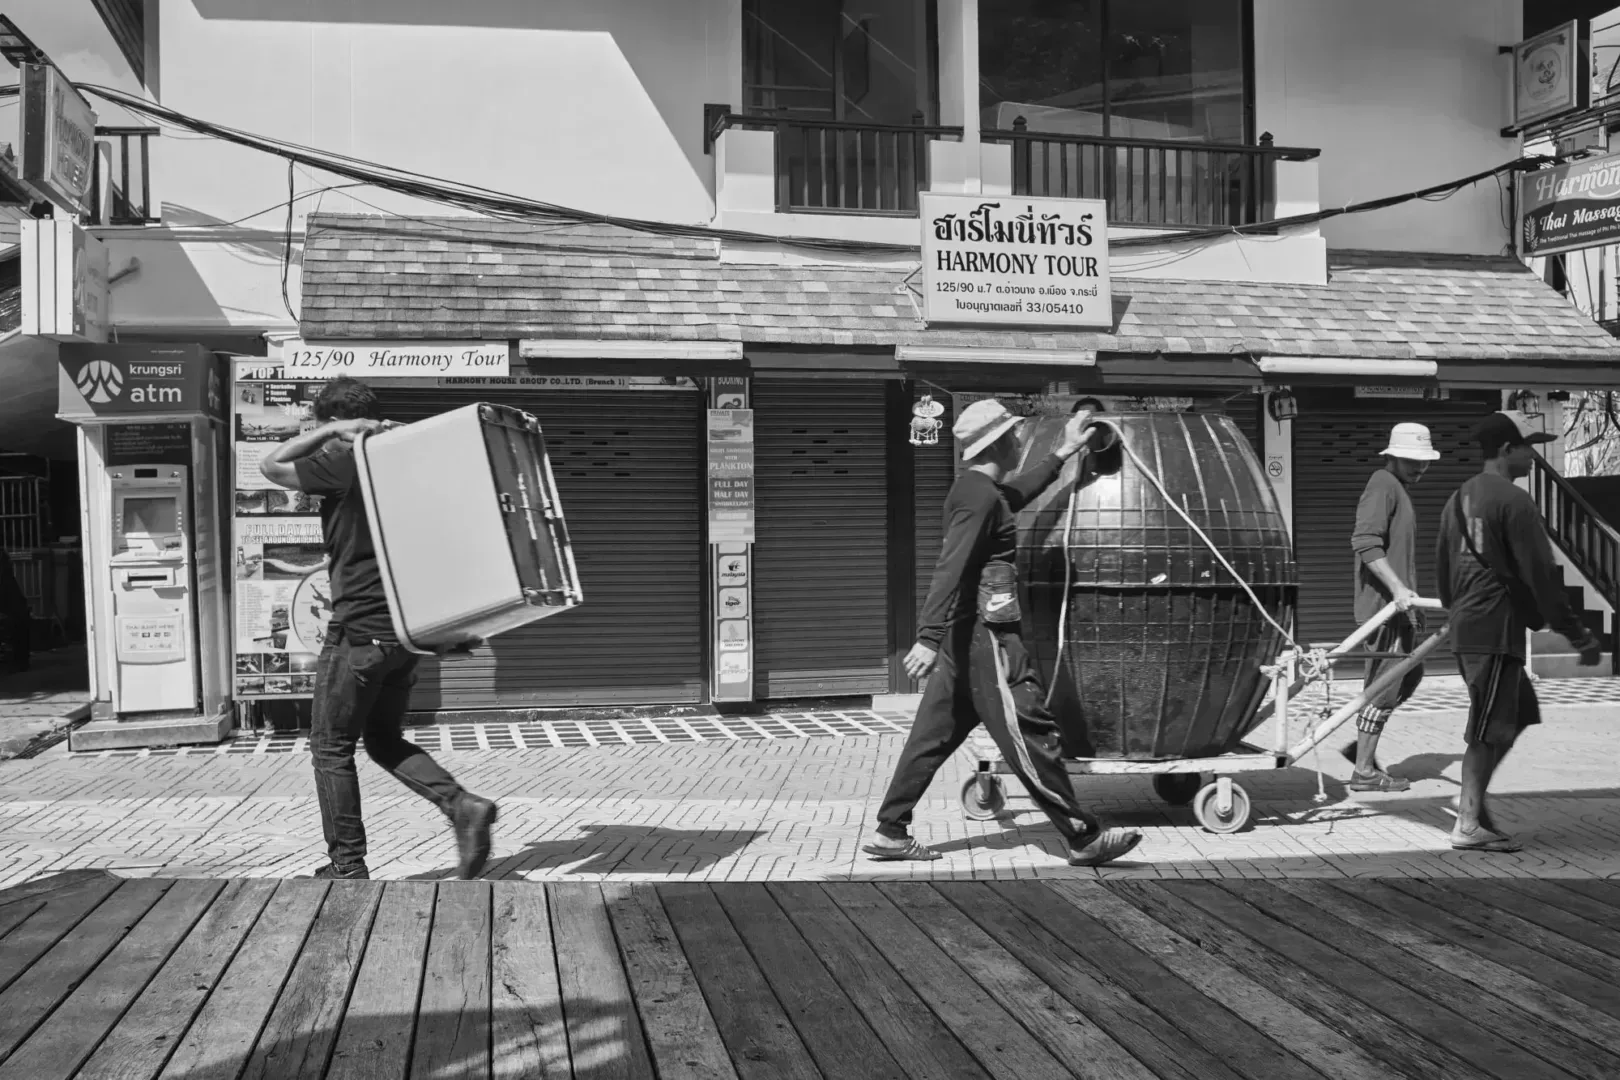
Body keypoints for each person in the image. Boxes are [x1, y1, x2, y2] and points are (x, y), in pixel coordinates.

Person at [865, 399, 1143, 866]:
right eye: (1014, 436)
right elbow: (951, 565)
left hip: (964, 640)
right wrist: (927, 636)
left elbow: (1014, 496)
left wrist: (1064, 453)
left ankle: (892, 831)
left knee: (930, 737)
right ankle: (1082, 836)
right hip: (985, 639)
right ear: (998, 441)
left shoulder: (978, 491)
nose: (1019, 442)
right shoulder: (978, 497)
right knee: (1030, 729)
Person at [260, 376, 498, 880]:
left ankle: (347, 867)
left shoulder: (347, 459)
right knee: (383, 737)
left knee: (329, 748)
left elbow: (270, 465)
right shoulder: (404, 458)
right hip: (405, 630)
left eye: (324, 426)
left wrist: (337, 431)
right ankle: (463, 807)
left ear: (335, 422)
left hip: (358, 628)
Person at [1435, 411, 1602, 853]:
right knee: (1487, 728)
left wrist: (1458, 612)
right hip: (1493, 629)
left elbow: (1441, 571)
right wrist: (1575, 632)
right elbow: (1542, 573)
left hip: (1472, 626)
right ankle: (1468, 821)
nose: (1534, 455)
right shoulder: (1514, 500)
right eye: (1528, 447)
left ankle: (1474, 803)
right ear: (1507, 450)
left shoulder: (1457, 499)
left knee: (1518, 712)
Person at [1342, 422, 1438, 792]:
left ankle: (1362, 742)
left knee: (1408, 676)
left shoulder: (1397, 488)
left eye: (1424, 462)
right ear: (1393, 456)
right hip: (1383, 607)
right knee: (1385, 686)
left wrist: (1410, 601)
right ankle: (1364, 770)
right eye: (1413, 460)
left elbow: (1398, 556)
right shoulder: (1382, 484)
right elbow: (1365, 542)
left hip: (1399, 607)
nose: (1420, 468)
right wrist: (1397, 589)